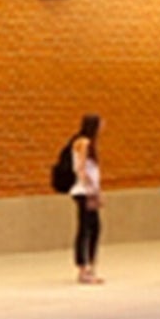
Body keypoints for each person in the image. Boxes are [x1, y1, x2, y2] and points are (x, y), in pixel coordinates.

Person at [68, 114, 103, 284]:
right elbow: (82, 169)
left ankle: (88, 266)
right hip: (84, 191)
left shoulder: (84, 142)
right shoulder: (84, 143)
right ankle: (84, 268)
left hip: (86, 190)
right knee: (87, 229)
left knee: (92, 228)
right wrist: (93, 192)